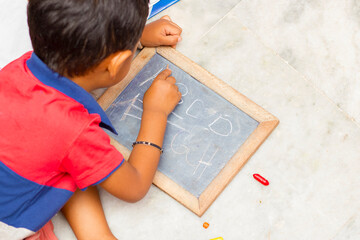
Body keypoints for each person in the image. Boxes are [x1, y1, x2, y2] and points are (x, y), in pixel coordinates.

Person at [0, 0, 182, 239]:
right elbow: (135, 186)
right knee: (74, 155)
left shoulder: (16, 69)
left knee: (68, 159)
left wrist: (135, 40)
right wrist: (155, 113)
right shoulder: (75, 130)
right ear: (115, 65)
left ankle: (94, 231)